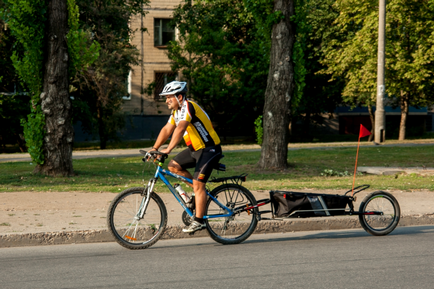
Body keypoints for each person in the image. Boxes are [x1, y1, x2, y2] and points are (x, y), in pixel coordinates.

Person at [149, 81, 222, 233]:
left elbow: (181, 128)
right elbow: (167, 129)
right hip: (195, 150)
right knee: (173, 167)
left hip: (209, 149)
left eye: (169, 97)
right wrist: (155, 148)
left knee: (198, 183)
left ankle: (199, 220)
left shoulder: (188, 107)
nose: (166, 100)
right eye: (166, 97)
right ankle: (198, 195)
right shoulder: (176, 112)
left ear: (179, 97)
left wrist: (168, 149)